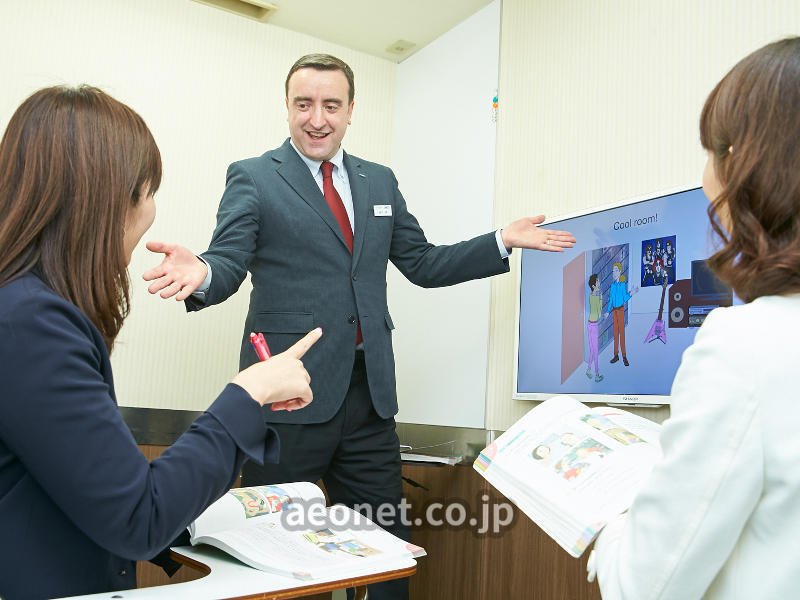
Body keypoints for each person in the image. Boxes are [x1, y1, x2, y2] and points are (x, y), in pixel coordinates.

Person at [142, 53, 575, 599]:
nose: (316, 118)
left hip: (369, 402)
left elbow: (424, 263)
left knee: (388, 556)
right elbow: (227, 261)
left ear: (351, 111)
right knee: (279, 559)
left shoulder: (379, 182)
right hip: (287, 403)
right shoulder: (253, 177)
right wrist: (202, 271)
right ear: (287, 108)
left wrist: (500, 241)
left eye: (330, 105)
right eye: (304, 104)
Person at [0, 85, 322, 600]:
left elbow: (81, 484)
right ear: (103, 200)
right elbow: (136, 515)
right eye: (147, 191)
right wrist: (248, 393)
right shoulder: (33, 323)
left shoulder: (21, 309)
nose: (151, 212)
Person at [589, 37, 800, 599]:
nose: (706, 179)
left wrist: (609, 517)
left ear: (756, 167)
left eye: (716, 152)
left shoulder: (746, 345)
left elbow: (643, 586)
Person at [605, 262, 638, 366]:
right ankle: (616, 355)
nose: (613, 273)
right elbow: (610, 300)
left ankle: (624, 356)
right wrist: (607, 311)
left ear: (619, 271)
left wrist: (632, 293)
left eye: (615, 270)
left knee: (621, 333)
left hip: (620, 310)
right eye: (613, 271)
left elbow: (625, 298)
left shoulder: (622, 285)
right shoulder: (612, 286)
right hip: (614, 311)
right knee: (615, 333)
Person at [586, 274, 604, 382]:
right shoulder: (596, 296)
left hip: (590, 324)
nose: (599, 283)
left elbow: (596, 312)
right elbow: (599, 313)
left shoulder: (591, 295)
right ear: (593, 285)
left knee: (592, 349)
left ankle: (588, 369)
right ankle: (597, 374)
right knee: (595, 350)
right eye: (597, 281)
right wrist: (600, 298)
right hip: (594, 324)